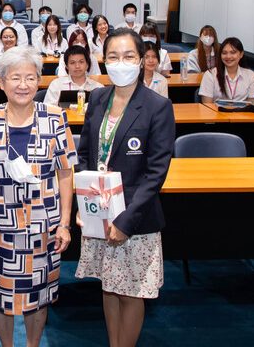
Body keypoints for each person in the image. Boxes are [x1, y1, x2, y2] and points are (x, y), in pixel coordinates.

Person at [0, 46, 76, 347]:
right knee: (0, 297)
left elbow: (66, 173)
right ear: (2, 82)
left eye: (30, 77)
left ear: (39, 81)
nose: (23, 85)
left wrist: (65, 223)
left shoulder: (55, 118)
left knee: (38, 297)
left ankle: (32, 345)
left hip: (44, 225)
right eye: (15, 78)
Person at [76, 28, 175, 347]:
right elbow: (84, 153)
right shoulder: (98, 97)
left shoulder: (157, 106)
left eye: (129, 56)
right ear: (103, 60)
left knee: (131, 292)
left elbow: (156, 172)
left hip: (135, 218)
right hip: (99, 212)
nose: (121, 63)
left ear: (144, 59)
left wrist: (125, 222)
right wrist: (85, 204)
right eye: (114, 57)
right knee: (108, 285)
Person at [199, 37, 254, 104]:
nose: (228, 56)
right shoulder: (210, 75)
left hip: (241, 113)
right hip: (217, 113)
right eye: (224, 53)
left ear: (241, 54)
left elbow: (250, 104)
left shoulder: (250, 75)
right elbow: (207, 105)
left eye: (233, 52)